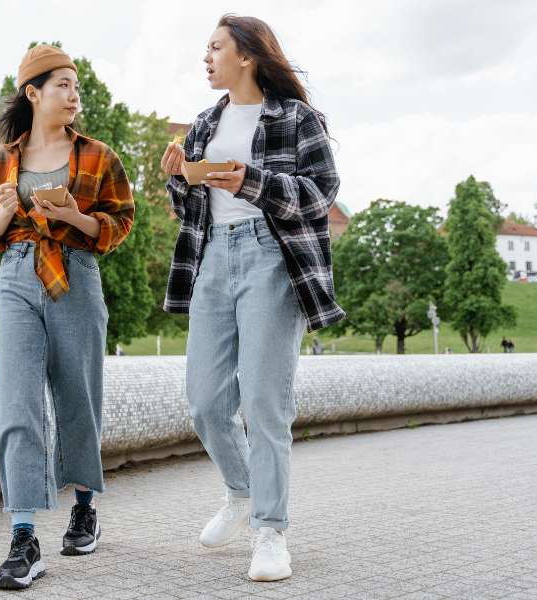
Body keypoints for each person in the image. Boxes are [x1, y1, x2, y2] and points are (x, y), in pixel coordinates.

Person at [160, 15, 342, 582]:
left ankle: (270, 530)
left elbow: (321, 192)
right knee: (205, 401)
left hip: (271, 257)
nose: (206, 57)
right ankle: (241, 492)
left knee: (265, 402)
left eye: (215, 47)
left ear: (247, 56)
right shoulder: (204, 122)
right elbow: (188, 208)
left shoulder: (295, 117)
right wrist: (179, 179)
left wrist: (249, 181)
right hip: (213, 258)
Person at [0, 44, 135, 590]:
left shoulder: (99, 156)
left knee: (78, 398)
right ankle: (23, 537)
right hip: (15, 277)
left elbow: (120, 223)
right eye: (62, 83)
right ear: (33, 93)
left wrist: (75, 217)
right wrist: (1, 215)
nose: (74, 93)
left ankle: (84, 507)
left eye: (76, 84)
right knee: (16, 405)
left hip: (75, 272)